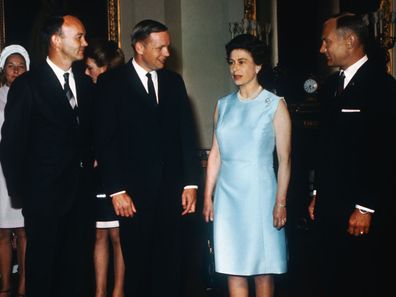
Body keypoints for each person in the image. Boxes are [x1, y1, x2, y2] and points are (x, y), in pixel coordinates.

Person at [93, 19, 200, 297]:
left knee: (171, 267)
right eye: (161, 47)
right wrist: (116, 190)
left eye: (168, 47)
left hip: (172, 194)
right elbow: (105, 143)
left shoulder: (174, 82)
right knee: (138, 268)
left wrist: (190, 183)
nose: (167, 53)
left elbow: (186, 135)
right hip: (133, 196)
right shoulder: (111, 83)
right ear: (139, 47)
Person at [0, 15, 95, 297]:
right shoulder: (28, 85)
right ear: (56, 40)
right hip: (44, 199)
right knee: (43, 271)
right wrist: (23, 194)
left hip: (80, 197)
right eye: (79, 37)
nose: (85, 43)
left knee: (77, 270)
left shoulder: (85, 84)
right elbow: (12, 146)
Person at [308, 13, 396, 297]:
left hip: (361, 211)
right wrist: (317, 191)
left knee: (363, 279)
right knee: (330, 277)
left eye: (326, 41)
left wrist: (365, 206)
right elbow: (325, 146)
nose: (322, 49)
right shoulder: (331, 87)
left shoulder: (382, 86)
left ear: (351, 40)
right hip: (330, 206)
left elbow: (385, 151)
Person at [203, 34, 291, 297]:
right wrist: (208, 196)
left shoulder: (274, 105)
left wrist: (281, 202)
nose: (235, 69)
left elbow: (285, 160)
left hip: (261, 194)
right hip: (228, 196)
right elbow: (215, 155)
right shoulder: (223, 105)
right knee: (233, 266)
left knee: (263, 269)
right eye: (232, 62)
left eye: (242, 62)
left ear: (258, 66)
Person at [84, 39, 125, 297]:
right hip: (96, 176)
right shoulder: (89, 93)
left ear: (104, 68)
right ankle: (100, 291)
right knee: (100, 235)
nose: (86, 72)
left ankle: (119, 290)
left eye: (90, 68)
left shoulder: (121, 94)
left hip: (118, 174)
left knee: (118, 236)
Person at [0, 44, 29, 297]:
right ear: (4, 70)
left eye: (21, 67)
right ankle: (5, 285)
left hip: (24, 172)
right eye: (11, 66)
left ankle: (24, 285)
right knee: (2, 231)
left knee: (23, 231)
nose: (16, 71)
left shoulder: (33, 95)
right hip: (0, 175)